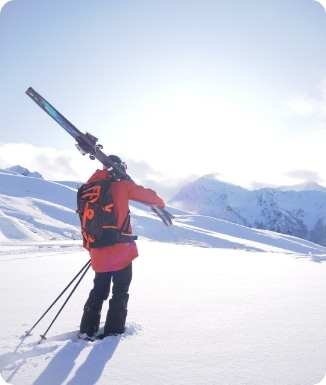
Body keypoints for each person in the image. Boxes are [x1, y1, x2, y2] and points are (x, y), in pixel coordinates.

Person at [78, 155, 166, 341]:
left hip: (97, 251)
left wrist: (95, 249)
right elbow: (152, 198)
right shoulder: (122, 186)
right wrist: (160, 205)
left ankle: (87, 330)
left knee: (98, 291)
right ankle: (113, 332)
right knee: (120, 292)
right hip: (121, 252)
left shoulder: (89, 187)